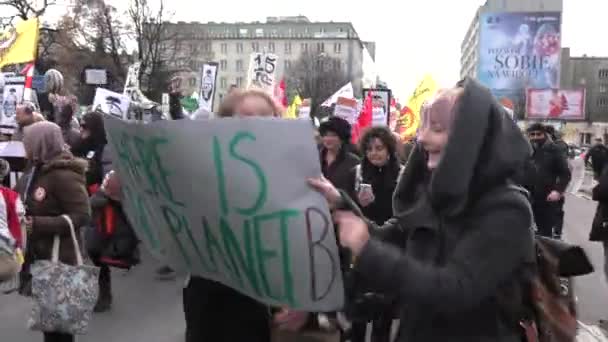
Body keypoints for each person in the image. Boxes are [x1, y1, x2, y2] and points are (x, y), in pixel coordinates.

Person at [309, 78, 536, 342]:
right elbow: (385, 237)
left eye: (437, 129)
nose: (422, 138)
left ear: (474, 139)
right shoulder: (433, 198)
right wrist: (341, 203)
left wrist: (368, 252)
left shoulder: (507, 210)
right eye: (424, 127)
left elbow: (456, 289)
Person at [182, 89, 284, 342]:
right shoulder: (200, 165)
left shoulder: (288, 170)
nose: (256, 123)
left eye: (265, 117)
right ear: (226, 121)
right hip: (207, 293)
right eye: (247, 116)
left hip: (256, 297)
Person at [18, 121, 91, 342]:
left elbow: (82, 215)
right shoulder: (34, 169)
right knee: (50, 323)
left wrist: (38, 223)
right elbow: (20, 197)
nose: (24, 144)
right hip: (40, 258)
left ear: (41, 143)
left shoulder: (64, 174)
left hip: (60, 261)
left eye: (28, 140)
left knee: (59, 328)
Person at [345, 126, 401, 342]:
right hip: (362, 247)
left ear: (389, 149)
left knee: (384, 310)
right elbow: (346, 207)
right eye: (369, 149)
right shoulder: (356, 174)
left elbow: (405, 213)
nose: (374, 153)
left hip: (391, 246)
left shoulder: (402, 174)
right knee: (359, 308)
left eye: (379, 148)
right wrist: (358, 204)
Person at [524, 123, 571, 238]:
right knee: (525, 232)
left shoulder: (554, 150)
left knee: (544, 234)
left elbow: (565, 174)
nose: (535, 137)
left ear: (544, 134)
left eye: (538, 134)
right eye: (532, 134)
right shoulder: (526, 150)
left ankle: (545, 253)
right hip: (527, 197)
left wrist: (557, 191)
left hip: (546, 198)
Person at [318, 117, 361, 192]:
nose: (328, 139)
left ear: (342, 138)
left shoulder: (353, 162)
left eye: (333, 135)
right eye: (325, 135)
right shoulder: (315, 158)